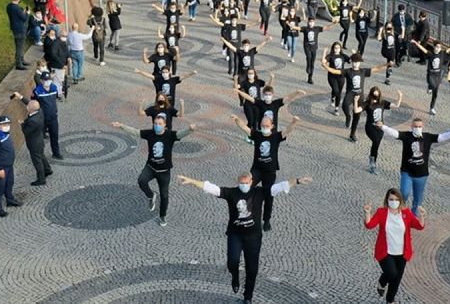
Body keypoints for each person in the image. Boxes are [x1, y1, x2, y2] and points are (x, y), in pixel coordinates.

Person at [177, 172, 313, 304]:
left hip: (253, 237)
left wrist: (298, 181)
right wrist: (191, 181)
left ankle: (248, 296)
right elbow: (211, 188)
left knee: (252, 269)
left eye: (246, 183)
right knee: (232, 261)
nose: (243, 185)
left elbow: (280, 186)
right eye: (241, 183)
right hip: (235, 235)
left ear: (251, 182)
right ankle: (235, 277)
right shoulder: (232, 193)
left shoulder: (259, 192)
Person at [111, 117, 198, 227]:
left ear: (164, 125)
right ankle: (151, 195)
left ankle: (162, 215)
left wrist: (190, 129)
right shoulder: (150, 133)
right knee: (141, 180)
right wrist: (121, 126)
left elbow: (180, 134)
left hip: (164, 171)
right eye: (155, 123)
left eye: (159, 123)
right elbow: (135, 132)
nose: (157, 125)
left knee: (164, 195)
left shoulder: (169, 135)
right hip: (151, 167)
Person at [230, 114, 301, 232]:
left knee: (269, 196)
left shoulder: (276, 136)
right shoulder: (257, 135)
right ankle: (246, 216)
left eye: (266, 125)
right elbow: (244, 128)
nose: (264, 127)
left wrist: (294, 122)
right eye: (262, 125)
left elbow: (287, 131)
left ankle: (266, 220)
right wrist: (237, 119)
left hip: (270, 172)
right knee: (247, 189)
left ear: (272, 126)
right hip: (256, 169)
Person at [378, 118, 450, 215]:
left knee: (418, 198)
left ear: (422, 127)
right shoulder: (406, 136)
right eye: (415, 126)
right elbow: (394, 133)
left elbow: (441, 137)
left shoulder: (427, 137)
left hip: (422, 175)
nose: (417, 128)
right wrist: (382, 127)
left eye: (419, 126)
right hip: (407, 172)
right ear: (411, 127)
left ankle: (413, 217)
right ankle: (401, 212)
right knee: (404, 193)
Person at [363, 189, 425, 304]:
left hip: (402, 253)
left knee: (396, 280)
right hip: (385, 252)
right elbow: (369, 225)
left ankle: (390, 301)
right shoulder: (381, 212)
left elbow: (419, 226)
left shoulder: (406, 213)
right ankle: (382, 281)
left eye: (396, 199)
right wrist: (367, 213)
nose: (394, 202)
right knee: (391, 273)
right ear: (387, 200)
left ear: (400, 201)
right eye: (391, 199)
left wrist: (421, 216)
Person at [321, 53, 389, 139]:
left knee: (357, 116)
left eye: (356, 62)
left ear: (360, 63)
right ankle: (348, 117)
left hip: (360, 96)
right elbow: (335, 71)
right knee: (345, 105)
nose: (354, 64)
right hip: (350, 94)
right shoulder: (348, 71)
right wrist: (325, 66)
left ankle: (352, 134)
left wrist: (387, 65)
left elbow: (376, 69)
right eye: (353, 62)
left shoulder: (363, 71)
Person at [12, 72, 62, 159]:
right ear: (42, 81)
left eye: (49, 80)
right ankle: (40, 155)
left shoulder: (54, 88)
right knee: (39, 139)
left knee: (54, 136)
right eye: (45, 80)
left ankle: (56, 153)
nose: (47, 82)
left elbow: (55, 98)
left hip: (53, 117)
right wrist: (21, 98)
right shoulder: (37, 91)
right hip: (42, 118)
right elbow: (32, 104)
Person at [354, 87, 403, 174]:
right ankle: (372, 164)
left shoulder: (382, 103)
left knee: (376, 146)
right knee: (376, 142)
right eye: (374, 95)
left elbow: (396, 106)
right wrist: (355, 101)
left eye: (377, 95)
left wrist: (400, 96)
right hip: (370, 128)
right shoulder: (367, 103)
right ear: (371, 94)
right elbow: (356, 110)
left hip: (380, 128)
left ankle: (372, 161)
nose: (375, 97)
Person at [411, 40, 450, 115]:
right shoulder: (430, 54)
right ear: (434, 47)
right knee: (432, 85)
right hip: (430, 75)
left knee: (435, 94)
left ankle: (431, 108)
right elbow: (422, 49)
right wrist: (415, 43)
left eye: (439, 47)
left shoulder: (442, 53)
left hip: (438, 76)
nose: (438, 48)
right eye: (436, 47)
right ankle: (429, 87)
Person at [0, 115, 22, 217]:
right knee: (0, 187)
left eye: (8, 124)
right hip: (2, 167)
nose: (6, 126)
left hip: (9, 164)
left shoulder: (4, 132)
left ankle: (10, 199)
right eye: (4, 124)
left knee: (9, 183)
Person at [235, 85, 304, 132]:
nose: (267, 96)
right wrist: (239, 91)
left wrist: (297, 92)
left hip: (272, 130)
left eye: (269, 94)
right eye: (266, 94)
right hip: (261, 129)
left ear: (272, 95)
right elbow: (249, 98)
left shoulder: (276, 104)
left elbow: (287, 97)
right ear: (263, 95)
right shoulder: (260, 103)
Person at [19, 100, 52, 186]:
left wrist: (22, 124)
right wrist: (21, 98)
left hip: (34, 143)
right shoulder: (39, 111)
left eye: (28, 106)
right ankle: (48, 169)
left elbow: (26, 132)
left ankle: (41, 179)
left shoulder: (33, 121)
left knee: (37, 161)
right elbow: (31, 104)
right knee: (41, 156)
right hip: (39, 140)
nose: (27, 106)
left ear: (30, 109)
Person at [300, 16, 338, 84]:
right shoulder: (305, 29)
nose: (311, 23)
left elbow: (326, 27)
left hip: (314, 47)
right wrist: (290, 25)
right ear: (308, 22)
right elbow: (297, 28)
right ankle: (307, 66)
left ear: (314, 22)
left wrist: (333, 24)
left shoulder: (316, 29)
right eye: (310, 22)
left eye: (312, 22)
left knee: (313, 62)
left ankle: (310, 78)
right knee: (309, 57)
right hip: (307, 46)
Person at [321, 42, 351, 115]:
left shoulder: (343, 56)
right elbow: (323, 62)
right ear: (333, 48)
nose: (337, 49)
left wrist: (354, 54)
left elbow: (350, 61)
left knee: (339, 92)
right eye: (335, 48)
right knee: (336, 90)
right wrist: (324, 52)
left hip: (341, 76)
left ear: (340, 49)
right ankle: (333, 99)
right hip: (332, 76)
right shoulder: (330, 56)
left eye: (338, 48)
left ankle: (336, 108)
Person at [6, 0, 30, 70]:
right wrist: (27, 13)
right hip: (20, 28)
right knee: (19, 46)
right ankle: (19, 63)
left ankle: (21, 60)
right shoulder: (16, 8)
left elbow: (16, 16)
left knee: (20, 45)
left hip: (14, 28)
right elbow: (24, 18)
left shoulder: (9, 6)